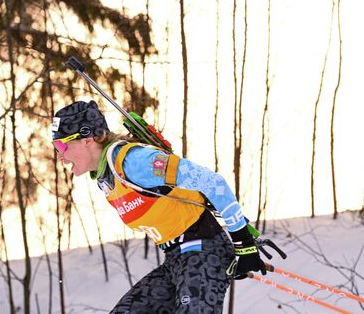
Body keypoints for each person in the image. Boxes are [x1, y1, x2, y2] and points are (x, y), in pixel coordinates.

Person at [51, 100, 268, 313]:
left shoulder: (133, 162)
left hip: (204, 250)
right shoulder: (106, 177)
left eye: (61, 146)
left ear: (87, 138)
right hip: (176, 259)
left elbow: (213, 183)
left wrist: (244, 243)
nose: (60, 155)